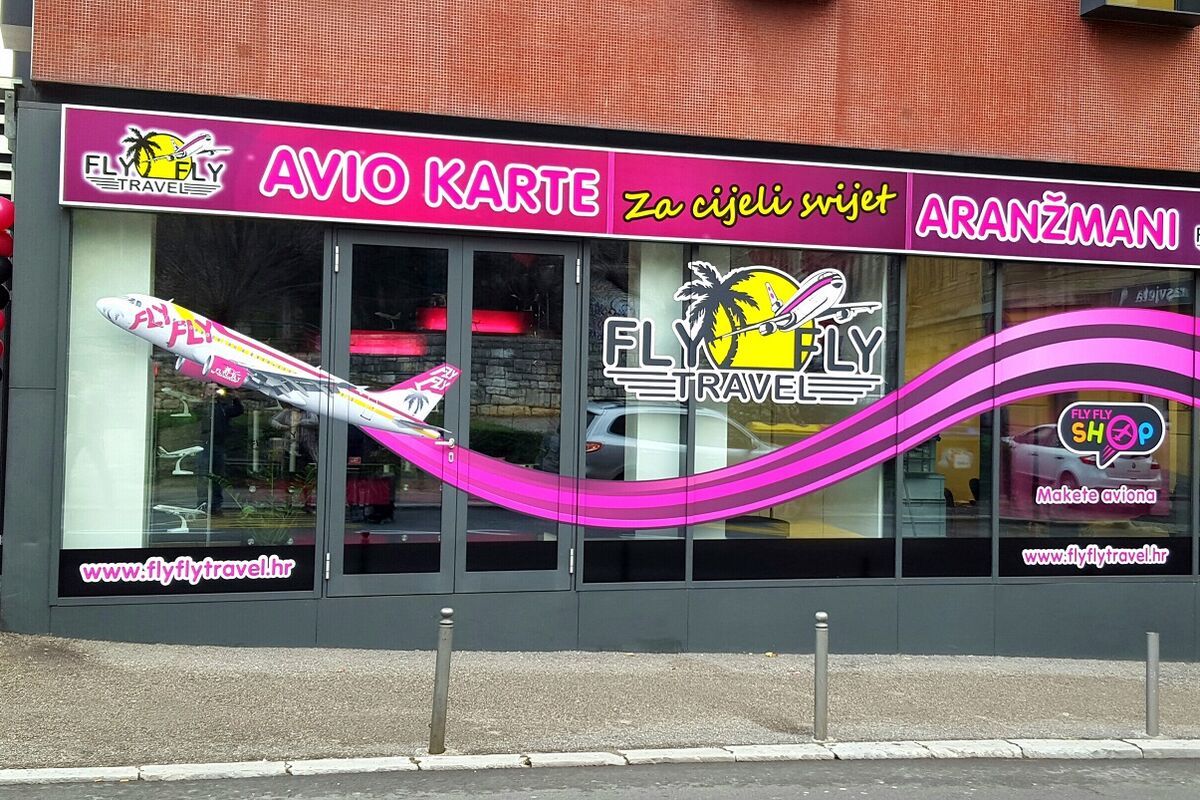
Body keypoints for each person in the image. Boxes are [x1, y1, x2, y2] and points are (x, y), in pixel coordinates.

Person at [197, 386, 244, 515]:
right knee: (204, 476)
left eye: (216, 389)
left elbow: (238, 410)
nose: (214, 391)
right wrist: (206, 399)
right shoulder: (204, 406)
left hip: (218, 445)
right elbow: (195, 412)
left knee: (218, 477)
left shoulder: (223, 407)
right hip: (204, 445)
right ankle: (203, 504)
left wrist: (235, 398)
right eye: (210, 389)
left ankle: (216, 505)